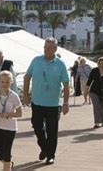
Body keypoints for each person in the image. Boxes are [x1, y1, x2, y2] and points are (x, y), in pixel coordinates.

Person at [23, 37, 70, 165]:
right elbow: (27, 77)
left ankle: (50, 155)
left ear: (55, 49)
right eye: (45, 47)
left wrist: (66, 103)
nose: (46, 50)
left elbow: (66, 84)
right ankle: (44, 147)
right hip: (37, 102)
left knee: (52, 130)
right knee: (37, 126)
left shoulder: (60, 64)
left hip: (53, 104)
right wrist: (25, 95)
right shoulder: (36, 61)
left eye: (49, 48)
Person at [84, 57, 103, 128]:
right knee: (97, 106)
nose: (101, 65)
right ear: (98, 64)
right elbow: (89, 81)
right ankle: (97, 122)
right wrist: (86, 90)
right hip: (94, 91)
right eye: (100, 63)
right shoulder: (94, 71)